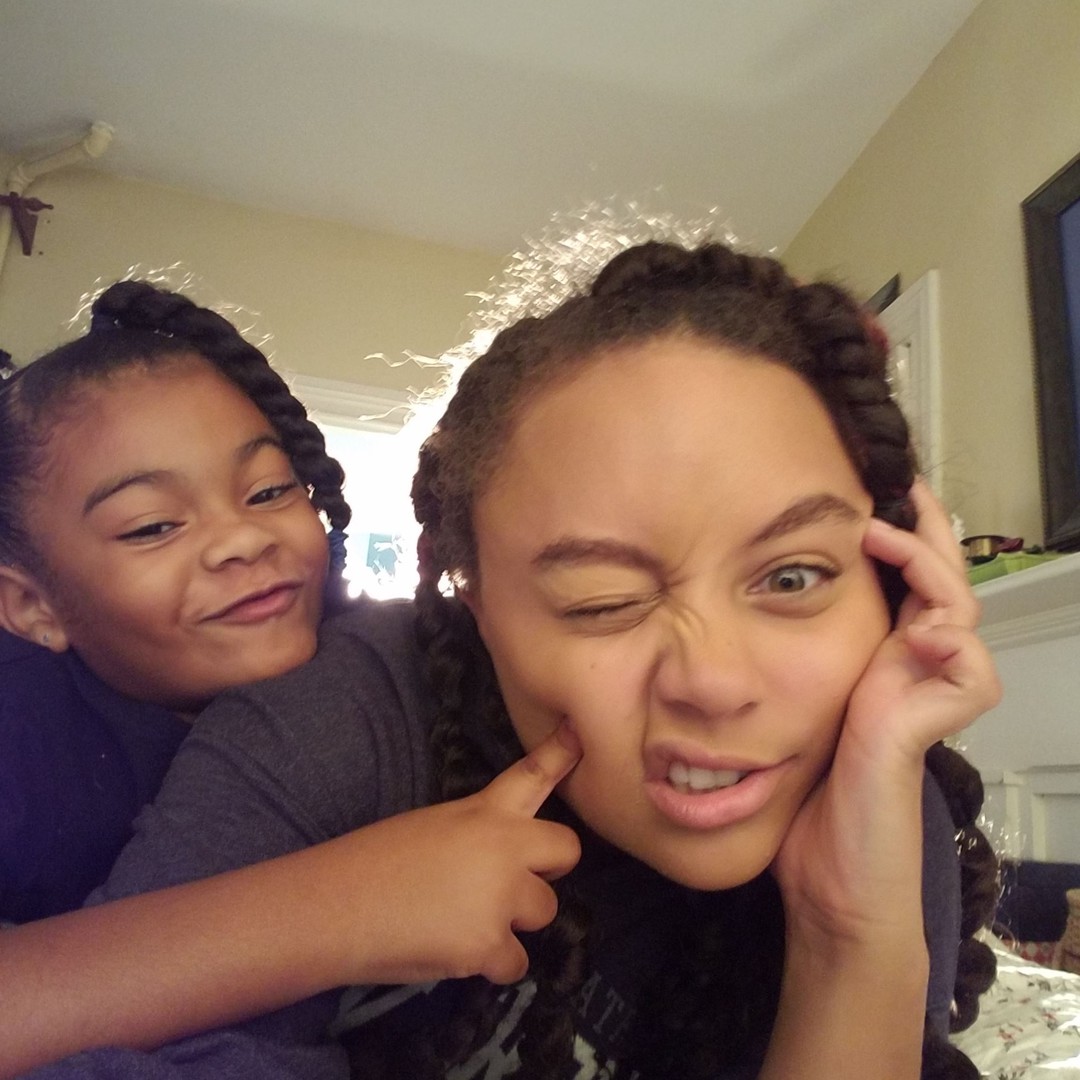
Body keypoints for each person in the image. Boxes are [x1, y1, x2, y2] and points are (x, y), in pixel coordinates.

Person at [19, 238, 1001, 1079]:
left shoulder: (870, 771)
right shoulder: (334, 712)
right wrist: (338, 907)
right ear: (474, 599)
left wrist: (850, 933)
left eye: (793, 577)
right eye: (602, 601)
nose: (716, 683)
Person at [0, 277, 351, 924]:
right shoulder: (19, 756)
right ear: (31, 606)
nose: (243, 538)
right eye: (153, 526)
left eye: (269, 491)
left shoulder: (373, 662)